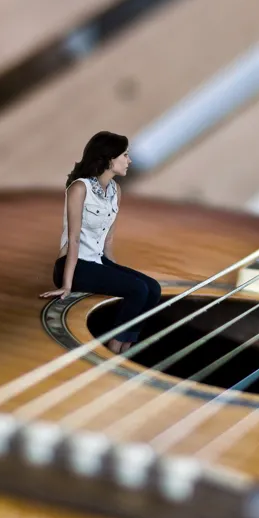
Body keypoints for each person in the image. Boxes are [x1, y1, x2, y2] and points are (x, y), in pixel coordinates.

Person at [39, 131, 162, 354]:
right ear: (108, 158)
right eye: (124, 155)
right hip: (75, 266)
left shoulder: (116, 191)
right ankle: (113, 349)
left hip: (98, 261)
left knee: (152, 288)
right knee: (138, 290)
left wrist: (117, 274)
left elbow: (108, 240)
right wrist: (66, 285)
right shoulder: (79, 188)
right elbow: (74, 238)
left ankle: (126, 347)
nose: (129, 161)